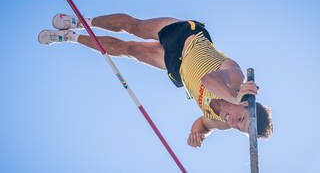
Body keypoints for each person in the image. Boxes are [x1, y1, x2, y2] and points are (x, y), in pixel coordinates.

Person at [39, 13, 273, 147]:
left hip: (177, 66)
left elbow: (202, 123)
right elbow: (208, 78)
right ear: (244, 104)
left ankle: (70, 36)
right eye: (240, 118)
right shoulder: (235, 79)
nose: (232, 123)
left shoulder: (221, 122)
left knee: (127, 49)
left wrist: (197, 135)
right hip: (187, 38)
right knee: (133, 27)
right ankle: (81, 22)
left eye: (238, 128)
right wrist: (233, 94)